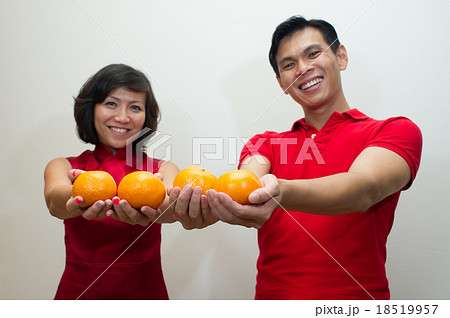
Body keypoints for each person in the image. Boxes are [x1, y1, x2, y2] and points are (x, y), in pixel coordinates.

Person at [206, 16, 422, 300]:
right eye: (289, 64)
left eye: (313, 53)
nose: (303, 69)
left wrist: (280, 191)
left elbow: (365, 189)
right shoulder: (266, 143)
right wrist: (193, 206)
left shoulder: (393, 131)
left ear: (340, 56)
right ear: (281, 82)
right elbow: (245, 187)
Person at [44, 64, 190, 299]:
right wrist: (77, 196)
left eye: (135, 107)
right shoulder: (64, 167)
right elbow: (55, 201)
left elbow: (171, 207)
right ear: (91, 109)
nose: (122, 117)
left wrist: (159, 205)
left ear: (145, 117)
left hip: (147, 295)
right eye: (111, 104)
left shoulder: (162, 169)